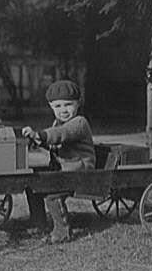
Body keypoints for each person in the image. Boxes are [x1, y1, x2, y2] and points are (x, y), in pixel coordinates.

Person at [22, 79, 96, 243]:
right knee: (33, 186)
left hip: (80, 168)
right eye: (58, 106)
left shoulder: (79, 123)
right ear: (51, 107)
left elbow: (61, 134)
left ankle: (63, 232)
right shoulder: (58, 123)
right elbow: (55, 142)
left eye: (68, 104)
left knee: (52, 195)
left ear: (78, 103)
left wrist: (39, 135)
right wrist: (39, 141)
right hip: (65, 166)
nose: (63, 110)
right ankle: (38, 223)